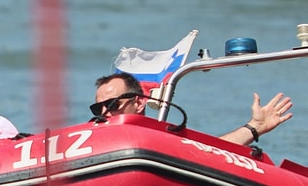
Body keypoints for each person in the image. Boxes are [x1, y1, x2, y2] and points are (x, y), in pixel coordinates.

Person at [91, 72, 293, 145]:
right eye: (97, 108)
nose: (105, 113)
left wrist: (254, 127)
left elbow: (211, 152)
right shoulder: (88, 140)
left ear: (139, 102)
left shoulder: (162, 137)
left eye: (113, 104)